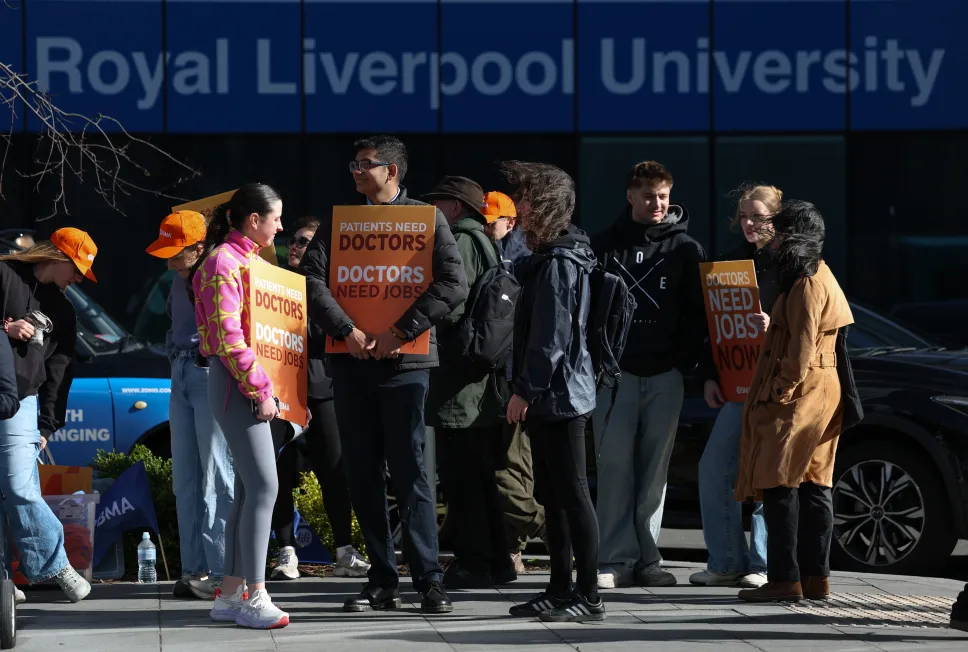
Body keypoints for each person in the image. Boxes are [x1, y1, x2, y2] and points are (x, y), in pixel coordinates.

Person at [299, 135, 467, 615]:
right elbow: (312, 279)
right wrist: (347, 330)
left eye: (365, 164)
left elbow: (453, 283)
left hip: (405, 363)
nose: (355, 170)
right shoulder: (338, 221)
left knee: (411, 471)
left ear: (392, 171)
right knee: (364, 474)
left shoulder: (425, 218)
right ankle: (381, 578)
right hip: (350, 363)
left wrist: (400, 330)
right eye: (353, 162)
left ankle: (429, 579)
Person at [735, 199, 861, 603]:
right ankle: (814, 579)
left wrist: (778, 392)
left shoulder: (807, 282)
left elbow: (800, 348)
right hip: (822, 388)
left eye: (782, 231)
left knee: (778, 482)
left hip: (803, 391)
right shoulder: (818, 273)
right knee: (812, 484)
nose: (774, 240)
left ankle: (784, 579)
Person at [591, 160, 707, 589]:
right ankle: (615, 560)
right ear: (630, 196)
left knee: (654, 471)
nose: (656, 203)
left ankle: (649, 560)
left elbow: (698, 316)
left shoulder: (686, 249)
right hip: (615, 375)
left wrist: (682, 362)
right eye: (647, 195)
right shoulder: (603, 245)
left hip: (666, 375)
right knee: (615, 468)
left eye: (662, 195)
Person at [502, 161, 604, 623]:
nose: (519, 207)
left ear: (545, 205)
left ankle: (589, 595)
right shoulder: (554, 256)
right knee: (554, 496)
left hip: (560, 398)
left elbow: (552, 337)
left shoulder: (561, 262)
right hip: (554, 396)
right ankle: (560, 588)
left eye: (525, 198)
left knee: (573, 495)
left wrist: (525, 389)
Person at [191, 183, 292, 629]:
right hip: (237, 385)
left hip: (243, 384)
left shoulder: (247, 260)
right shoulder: (222, 262)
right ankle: (254, 594)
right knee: (264, 488)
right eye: (276, 218)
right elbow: (230, 340)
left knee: (253, 489)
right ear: (254, 219)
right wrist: (262, 390)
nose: (281, 226)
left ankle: (231, 593)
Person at [689, 184, 783, 590]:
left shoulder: (791, 265)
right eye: (744, 216)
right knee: (714, 467)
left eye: (758, 216)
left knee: (767, 474)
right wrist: (710, 374)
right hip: (738, 384)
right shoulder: (729, 264)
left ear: (776, 219)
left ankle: (763, 564)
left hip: (778, 387)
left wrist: (775, 324)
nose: (749, 223)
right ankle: (726, 560)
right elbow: (715, 326)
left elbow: (815, 324)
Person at [423, 176, 514, 589]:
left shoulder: (460, 240)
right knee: (479, 476)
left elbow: (452, 305)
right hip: (479, 381)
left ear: (456, 208)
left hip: (460, 381)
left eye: (438, 204)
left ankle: (474, 562)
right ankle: (498, 561)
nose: (433, 212)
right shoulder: (484, 241)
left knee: (462, 478)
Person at [269, 216, 370, 580]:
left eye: (306, 241)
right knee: (279, 473)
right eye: (294, 241)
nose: (297, 247)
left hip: (322, 390)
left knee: (334, 470)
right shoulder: (273, 285)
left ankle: (344, 550)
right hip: (280, 393)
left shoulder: (329, 289)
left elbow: (328, 335)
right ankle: (286, 553)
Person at [0, 227, 98, 603]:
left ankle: (55, 564)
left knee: (18, 486)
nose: (77, 279)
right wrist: (6, 327)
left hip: (22, 401)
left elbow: (60, 372)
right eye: (76, 269)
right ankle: (4, 581)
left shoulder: (63, 310)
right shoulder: (5, 275)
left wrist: (48, 424)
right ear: (58, 257)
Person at [146, 211, 236, 600]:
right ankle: (193, 569)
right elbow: (173, 323)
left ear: (198, 248)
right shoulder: (179, 278)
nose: (167, 259)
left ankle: (220, 571)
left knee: (217, 473)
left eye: (175, 250)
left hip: (209, 371)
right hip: (182, 371)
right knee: (185, 477)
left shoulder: (217, 273)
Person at [481, 190, 546, 573]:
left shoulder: (520, 257)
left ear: (511, 222)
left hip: (513, 376)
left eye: (494, 221)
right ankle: (513, 549)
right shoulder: (496, 251)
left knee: (511, 465)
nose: (488, 228)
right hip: (504, 374)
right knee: (513, 464)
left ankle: (541, 530)